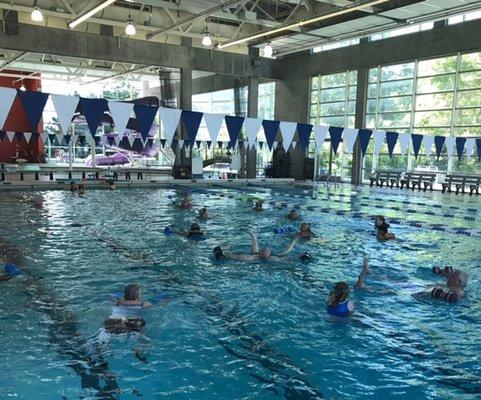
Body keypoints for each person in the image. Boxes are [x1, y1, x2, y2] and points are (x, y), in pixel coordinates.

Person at [213, 232, 303, 262]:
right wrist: (222, 254)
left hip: (259, 255)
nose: (263, 254)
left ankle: (294, 241)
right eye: (263, 252)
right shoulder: (254, 257)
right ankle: (254, 237)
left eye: (265, 253)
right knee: (254, 251)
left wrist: (299, 257)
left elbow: (288, 257)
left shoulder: (274, 258)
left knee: (284, 253)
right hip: (256, 255)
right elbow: (237, 256)